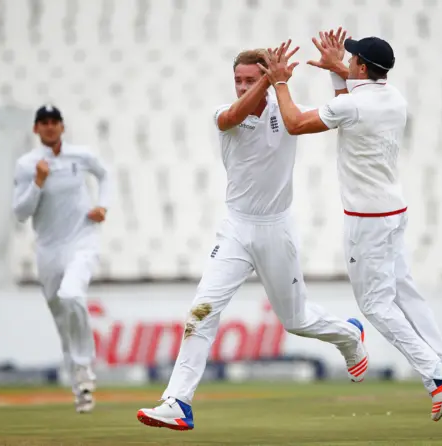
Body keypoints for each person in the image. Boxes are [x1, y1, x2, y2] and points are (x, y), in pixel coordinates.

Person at [136, 43, 367, 431]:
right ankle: (177, 401)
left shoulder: (286, 110)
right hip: (236, 229)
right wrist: (268, 82)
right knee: (200, 312)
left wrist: (337, 71)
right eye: (239, 80)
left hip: (277, 229)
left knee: (295, 321)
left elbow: (344, 114)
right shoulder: (225, 115)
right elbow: (232, 115)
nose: (243, 87)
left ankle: (348, 335)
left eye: (251, 79)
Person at [258, 29, 442, 422]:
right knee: (405, 294)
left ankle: (439, 376)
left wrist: (280, 81)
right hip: (394, 212)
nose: (348, 61)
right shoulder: (393, 98)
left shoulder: (355, 106)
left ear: (361, 67)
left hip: (367, 221)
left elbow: (294, 123)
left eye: (352, 59)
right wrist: (337, 72)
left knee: (375, 304)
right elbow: (351, 105)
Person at [12, 105, 111, 413]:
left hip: (82, 240)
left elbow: (105, 175)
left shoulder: (80, 156)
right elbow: (20, 213)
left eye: (55, 122)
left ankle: (84, 369)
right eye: (44, 122)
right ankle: (81, 388)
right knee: (61, 320)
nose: (50, 127)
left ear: (63, 127)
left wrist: (103, 206)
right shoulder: (27, 165)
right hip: (48, 250)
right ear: (36, 129)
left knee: (72, 295)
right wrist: (38, 182)